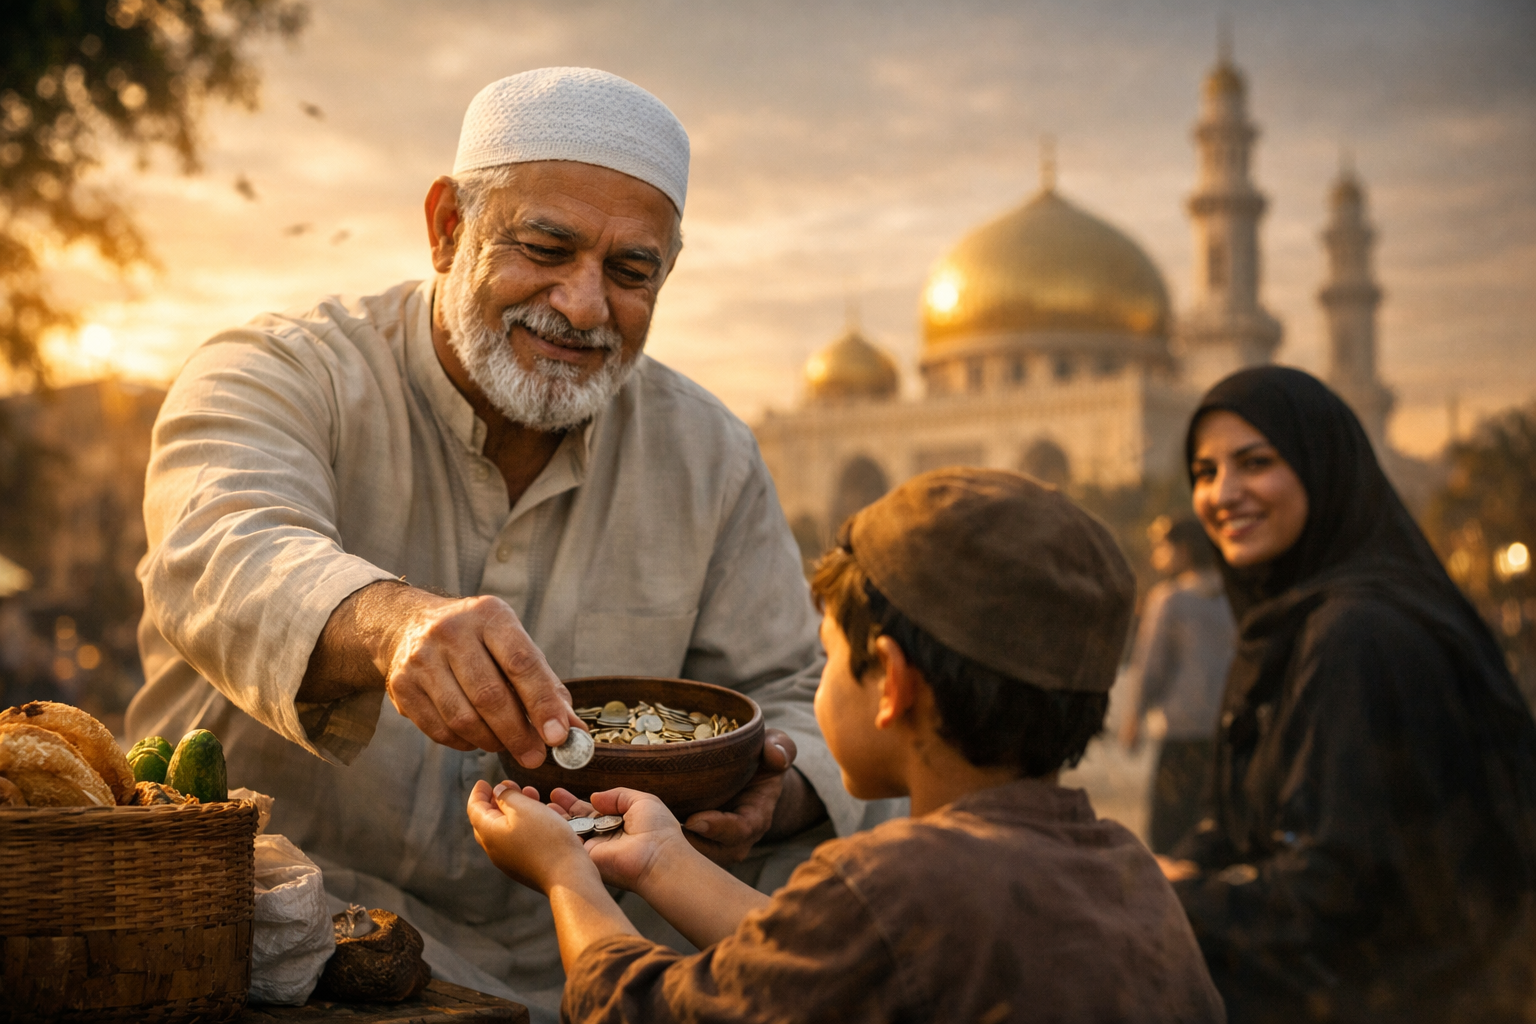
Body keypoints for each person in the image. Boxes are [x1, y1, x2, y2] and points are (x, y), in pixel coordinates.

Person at [127, 68, 891, 1018]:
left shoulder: (710, 455)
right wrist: (392, 627)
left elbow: (797, 692)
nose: (581, 307)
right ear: (448, 227)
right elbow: (223, 549)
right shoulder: (279, 373)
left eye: (629, 272)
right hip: (278, 950)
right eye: (545, 248)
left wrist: (777, 795)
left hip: (577, 970)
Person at [468, 468, 1227, 1023]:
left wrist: (567, 873)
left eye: (829, 659)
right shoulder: (1128, 870)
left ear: (892, 681)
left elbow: (639, 1011)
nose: (819, 684)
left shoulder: (891, 884)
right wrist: (661, 860)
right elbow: (819, 968)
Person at [1165, 366, 1536, 1023]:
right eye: (1204, 472)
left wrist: (1161, 902)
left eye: (1256, 463)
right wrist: (1173, 872)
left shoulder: (1358, 633)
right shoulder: (1285, 630)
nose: (1224, 493)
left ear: (1322, 467)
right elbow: (1240, 826)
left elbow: (1340, 890)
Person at [1119, 515, 1235, 853]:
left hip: (1181, 731)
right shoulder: (1232, 594)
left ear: (1183, 550)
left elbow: (1151, 666)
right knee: (1211, 825)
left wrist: (1133, 717)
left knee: (1169, 828)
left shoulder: (1169, 598)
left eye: (1161, 546)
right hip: (1223, 729)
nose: (1157, 555)